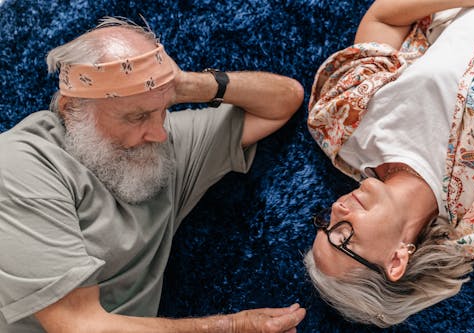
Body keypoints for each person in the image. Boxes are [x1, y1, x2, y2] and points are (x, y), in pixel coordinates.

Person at [0, 17, 306, 333]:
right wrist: (234, 326)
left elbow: (284, 101)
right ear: (71, 108)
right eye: (138, 116)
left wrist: (188, 85)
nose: (159, 132)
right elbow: (80, 325)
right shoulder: (21, 165)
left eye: (163, 110)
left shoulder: (162, 148)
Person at [304, 0, 474, 328]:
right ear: (396, 261)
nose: (337, 211)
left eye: (325, 222)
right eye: (343, 236)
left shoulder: (345, 130)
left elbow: (383, 18)